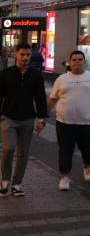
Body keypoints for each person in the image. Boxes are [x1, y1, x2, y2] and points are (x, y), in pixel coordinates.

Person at [47, 50, 90, 191]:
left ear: (84, 62)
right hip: (64, 123)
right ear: (69, 62)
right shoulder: (61, 79)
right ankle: (64, 176)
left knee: (88, 149)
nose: (77, 62)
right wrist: (43, 117)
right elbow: (52, 99)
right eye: (74, 59)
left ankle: (87, 165)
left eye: (80, 59)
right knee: (65, 150)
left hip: (88, 123)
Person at [0, 43, 48, 196]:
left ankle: (17, 184)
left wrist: (41, 118)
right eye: (22, 54)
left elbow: (40, 98)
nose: (25, 58)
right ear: (15, 54)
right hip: (8, 118)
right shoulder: (6, 74)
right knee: (8, 148)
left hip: (28, 118)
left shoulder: (36, 75)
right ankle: (5, 179)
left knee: (23, 152)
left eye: (28, 55)